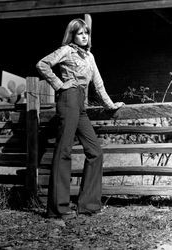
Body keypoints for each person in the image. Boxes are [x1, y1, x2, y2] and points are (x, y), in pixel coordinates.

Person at [36, 18, 124, 219]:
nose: (84, 36)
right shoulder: (66, 50)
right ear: (72, 35)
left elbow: (98, 84)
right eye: (80, 33)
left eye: (87, 33)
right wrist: (59, 85)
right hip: (68, 99)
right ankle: (58, 208)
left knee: (95, 151)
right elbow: (42, 64)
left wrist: (110, 105)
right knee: (64, 151)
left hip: (81, 104)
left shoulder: (90, 57)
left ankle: (88, 204)